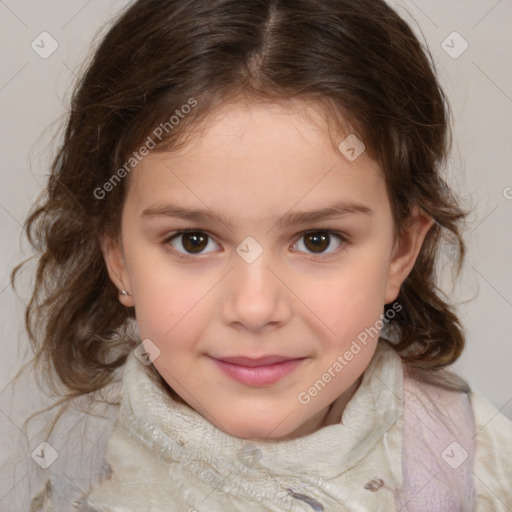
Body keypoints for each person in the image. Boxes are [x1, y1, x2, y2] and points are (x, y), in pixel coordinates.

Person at [4, 0, 511, 510]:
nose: (254, 308)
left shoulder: (479, 476)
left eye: (318, 240)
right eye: (193, 240)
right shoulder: (74, 478)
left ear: (401, 250)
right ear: (117, 255)